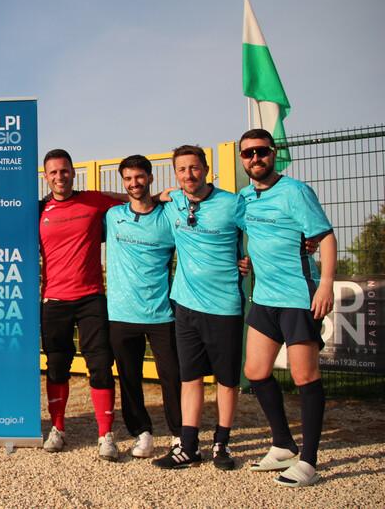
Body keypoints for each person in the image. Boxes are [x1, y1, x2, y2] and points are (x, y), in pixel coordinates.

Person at [238, 129, 336, 487]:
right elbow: (255, 236)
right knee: (255, 371)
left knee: (304, 376)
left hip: (298, 296)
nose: (255, 158)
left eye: (261, 151)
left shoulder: (295, 192)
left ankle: (309, 462)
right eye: (248, 153)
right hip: (265, 298)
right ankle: (283, 445)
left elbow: (325, 236)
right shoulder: (244, 197)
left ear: (273, 153)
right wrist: (248, 260)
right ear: (242, 159)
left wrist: (325, 284)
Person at [152, 145, 246, 471]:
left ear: (206, 169)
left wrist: (249, 258)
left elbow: (262, 232)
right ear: (175, 174)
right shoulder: (173, 202)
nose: (188, 175)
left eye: (194, 168)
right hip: (186, 305)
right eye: (181, 169)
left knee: (227, 380)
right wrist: (160, 194)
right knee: (189, 377)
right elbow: (144, 200)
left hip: (224, 306)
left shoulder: (233, 203)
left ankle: (222, 443)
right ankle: (189, 447)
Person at [39, 148, 124, 461]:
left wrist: (158, 197)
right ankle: (58, 429)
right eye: (53, 172)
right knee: (56, 367)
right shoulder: (39, 209)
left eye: (64, 171)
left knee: (100, 365)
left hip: (91, 298)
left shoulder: (93, 200)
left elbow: (132, 200)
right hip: (54, 300)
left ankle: (105, 434)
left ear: (74, 173)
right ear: (46, 177)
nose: (59, 177)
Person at [105, 155, 182, 459]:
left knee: (172, 376)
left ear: (150, 177)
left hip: (161, 312)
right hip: (121, 313)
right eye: (128, 178)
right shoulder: (113, 216)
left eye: (139, 177)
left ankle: (179, 435)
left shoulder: (168, 217)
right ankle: (143, 433)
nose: (134, 183)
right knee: (129, 378)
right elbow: (90, 199)